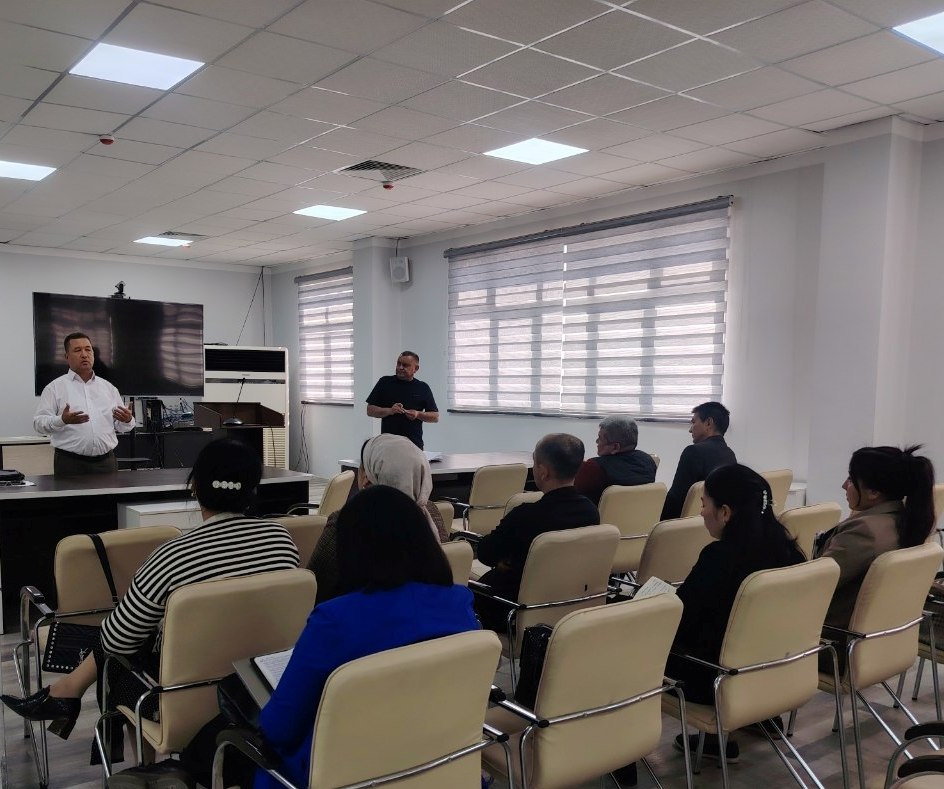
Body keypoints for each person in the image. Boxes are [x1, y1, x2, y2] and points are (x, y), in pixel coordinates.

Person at [0, 439, 299, 760]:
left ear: (194, 488)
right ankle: (67, 692)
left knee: (120, 654)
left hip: (178, 700)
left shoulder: (173, 555)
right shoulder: (281, 540)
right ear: (253, 491)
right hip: (262, 689)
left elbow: (116, 641)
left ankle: (142, 766)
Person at [256, 485, 479, 789]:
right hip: (437, 765)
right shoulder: (459, 604)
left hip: (344, 774)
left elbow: (279, 728)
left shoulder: (335, 620)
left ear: (352, 550)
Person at [665, 463, 804, 762]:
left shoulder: (719, 559)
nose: (701, 512)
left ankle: (620, 757)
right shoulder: (792, 554)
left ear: (725, 512)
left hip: (715, 681)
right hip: (779, 672)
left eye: (704, 504)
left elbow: (680, 621)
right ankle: (761, 715)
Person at [475, 433, 600, 632]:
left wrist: (506, 560)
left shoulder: (525, 516)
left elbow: (486, 554)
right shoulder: (591, 511)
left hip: (513, 608)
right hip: (570, 604)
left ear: (543, 471)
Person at [308, 433, 449, 603]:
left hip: (356, 616)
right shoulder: (431, 513)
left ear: (366, 479)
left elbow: (315, 587)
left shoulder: (347, 521)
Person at [816, 445, 936, 632]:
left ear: (873, 492)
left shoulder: (864, 532)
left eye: (851, 479)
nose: (844, 485)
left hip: (829, 630)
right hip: (882, 631)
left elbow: (815, 583)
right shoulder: (904, 521)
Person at [33, 332, 135, 475]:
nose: (84, 354)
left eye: (88, 349)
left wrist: (127, 419)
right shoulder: (54, 388)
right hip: (70, 463)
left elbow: (122, 427)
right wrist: (62, 420)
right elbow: (38, 424)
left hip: (106, 463)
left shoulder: (109, 388)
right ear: (67, 357)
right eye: (77, 350)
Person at [661, 401, 737, 520]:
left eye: (693, 422)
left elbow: (676, 499)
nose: (690, 430)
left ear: (708, 423)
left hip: (684, 526)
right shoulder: (730, 455)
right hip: (713, 523)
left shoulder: (693, 452)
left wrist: (656, 524)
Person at [573, 415, 657, 504]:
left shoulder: (594, 467)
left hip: (598, 513)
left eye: (600, 438)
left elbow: (572, 493)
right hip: (640, 512)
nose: (596, 441)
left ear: (615, 447)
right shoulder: (649, 461)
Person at [365, 351, 439, 449]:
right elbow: (370, 410)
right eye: (398, 363)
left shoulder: (422, 387)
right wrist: (390, 411)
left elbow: (435, 417)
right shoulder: (385, 382)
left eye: (405, 365)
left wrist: (418, 414)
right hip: (387, 445)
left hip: (413, 445)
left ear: (416, 368)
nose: (400, 367)